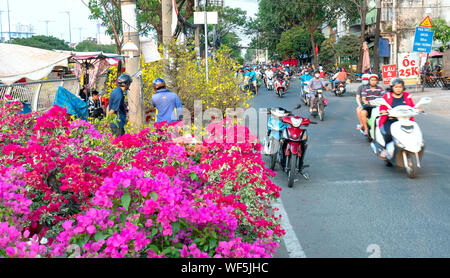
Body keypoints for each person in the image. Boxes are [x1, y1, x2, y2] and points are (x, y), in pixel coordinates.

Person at [378, 78, 422, 159]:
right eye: (396, 87)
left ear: (403, 87)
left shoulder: (406, 95)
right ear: (392, 88)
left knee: (413, 131)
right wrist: (383, 111)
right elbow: (382, 107)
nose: (398, 89)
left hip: (405, 119)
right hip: (390, 119)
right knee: (388, 133)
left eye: (400, 87)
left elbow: (412, 106)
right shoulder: (387, 96)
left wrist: (417, 109)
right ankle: (385, 149)